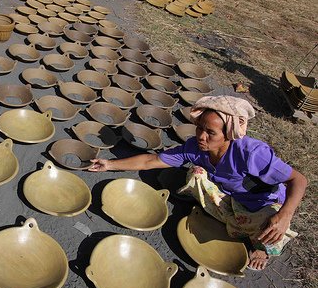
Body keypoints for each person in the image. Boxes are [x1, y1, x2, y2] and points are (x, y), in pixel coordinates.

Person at [89, 95, 308, 270]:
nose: (201, 136)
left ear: (228, 134)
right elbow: (151, 160)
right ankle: (234, 222)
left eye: (210, 132)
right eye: (199, 127)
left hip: (261, 203)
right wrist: (110, 164)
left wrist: (284, 215)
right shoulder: (196, 147)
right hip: (230, 196)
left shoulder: (252, 153)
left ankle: (260, 245)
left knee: (270, 224)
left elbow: (299, 180)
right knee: (196, 174)